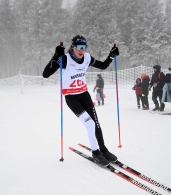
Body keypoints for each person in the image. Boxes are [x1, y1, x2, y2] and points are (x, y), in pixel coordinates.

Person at [42, 35, 119, 166]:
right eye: (79, 47)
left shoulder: (87, 58)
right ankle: (96, 153)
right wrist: (56, 56)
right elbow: (46, 74)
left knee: (96, 124)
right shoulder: (65, 60)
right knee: (90, 124)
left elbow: (103, 66)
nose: (81, 50)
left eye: (84, 47)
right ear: (73, 47)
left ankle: (103, 150)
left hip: (84, 95)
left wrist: (111, 56)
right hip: (72, 98)